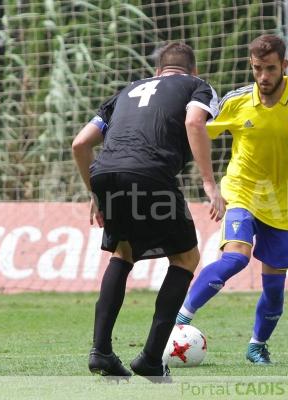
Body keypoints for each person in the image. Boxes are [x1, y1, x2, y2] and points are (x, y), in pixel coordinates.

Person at [175, 34, 288, 364]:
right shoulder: (237, 101)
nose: (264, 77)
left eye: (270, 69)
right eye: (257, 69)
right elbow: (197, 129)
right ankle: (179, 322)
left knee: (274, 290)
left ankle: (256, 345)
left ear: (284, 66)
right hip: (241, 193)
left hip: (284, 205)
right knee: (236, 258)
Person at [72, 42, 225, 380]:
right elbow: (195, 123)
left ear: (157, 72)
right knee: (185, 259)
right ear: (192, 70)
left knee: (122, 253)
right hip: (150, 173)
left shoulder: (126, 91)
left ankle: (101, 352)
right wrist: (210, 183)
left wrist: (95, 194)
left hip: (105, 174)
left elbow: (80, 143)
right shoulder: (196, 86)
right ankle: (152, 358)